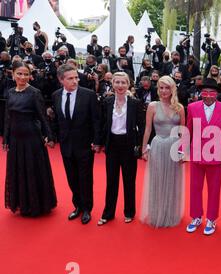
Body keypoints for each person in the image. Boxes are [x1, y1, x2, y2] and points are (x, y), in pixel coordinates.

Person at [2, 61, 57, 216]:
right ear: (13, 75)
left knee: (33, 170)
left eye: (26, 74)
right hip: (15, 138)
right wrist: (6, 138)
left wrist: (49, 136)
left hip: (32, 138)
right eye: (19, 73)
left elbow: (43, 117)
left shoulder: (35, 93)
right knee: (18, 170)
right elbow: (8, 117)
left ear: (30, 76)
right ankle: (22, 203)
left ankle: (37, 204)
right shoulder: (10, 92)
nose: (23, 77)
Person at [50, 64, 102, 224]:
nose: (75, 81)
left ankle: (87, 208)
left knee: (85, 178)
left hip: (85, 144)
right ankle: (77, 206)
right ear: (61, 80)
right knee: (72, 178)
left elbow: (96, 120)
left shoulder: (89, 95)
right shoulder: (56, 95)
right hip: (66, 145)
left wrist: (97, 141)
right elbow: (58, 120)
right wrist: (52, 136)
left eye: (76, 77)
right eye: (70, 78)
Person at [185, 78, 221, 235]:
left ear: (217, 94)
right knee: (195, 187)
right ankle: (196, 216)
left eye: (212, 92)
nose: (208, 96)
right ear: (200, 93)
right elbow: (189, 129)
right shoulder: (192, 107)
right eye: (204, 92)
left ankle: (211, 219)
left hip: (216, 155)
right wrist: (182, 149)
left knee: (214, 189)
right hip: (197, 154)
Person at [97, 72, 144, 225]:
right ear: (113, 84)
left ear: (128, 84)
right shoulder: (107, 101)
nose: (120, 86)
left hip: (129, 145)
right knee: (111, 181)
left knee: (129, 181)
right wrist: (98, 142)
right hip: (112, 145)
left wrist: (141, 145)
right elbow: (102, 124)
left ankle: (129, 212)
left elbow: (142, 126)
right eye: (117, 82)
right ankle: (108, 213)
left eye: (123, 82)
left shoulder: (135, 103)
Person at [140, 76, 185, 228]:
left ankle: (170, 213)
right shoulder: (153, 106)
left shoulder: (179, 107)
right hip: (158, 145)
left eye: (167, 87)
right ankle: (156, 212)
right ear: (158, 89)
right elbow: (147, 128)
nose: (164, 91)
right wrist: (144, 148)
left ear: (173, 89)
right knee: (157, 180)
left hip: (173, 147)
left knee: (172, 181)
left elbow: (182, 132)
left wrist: (182, 151)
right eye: (161, 88)